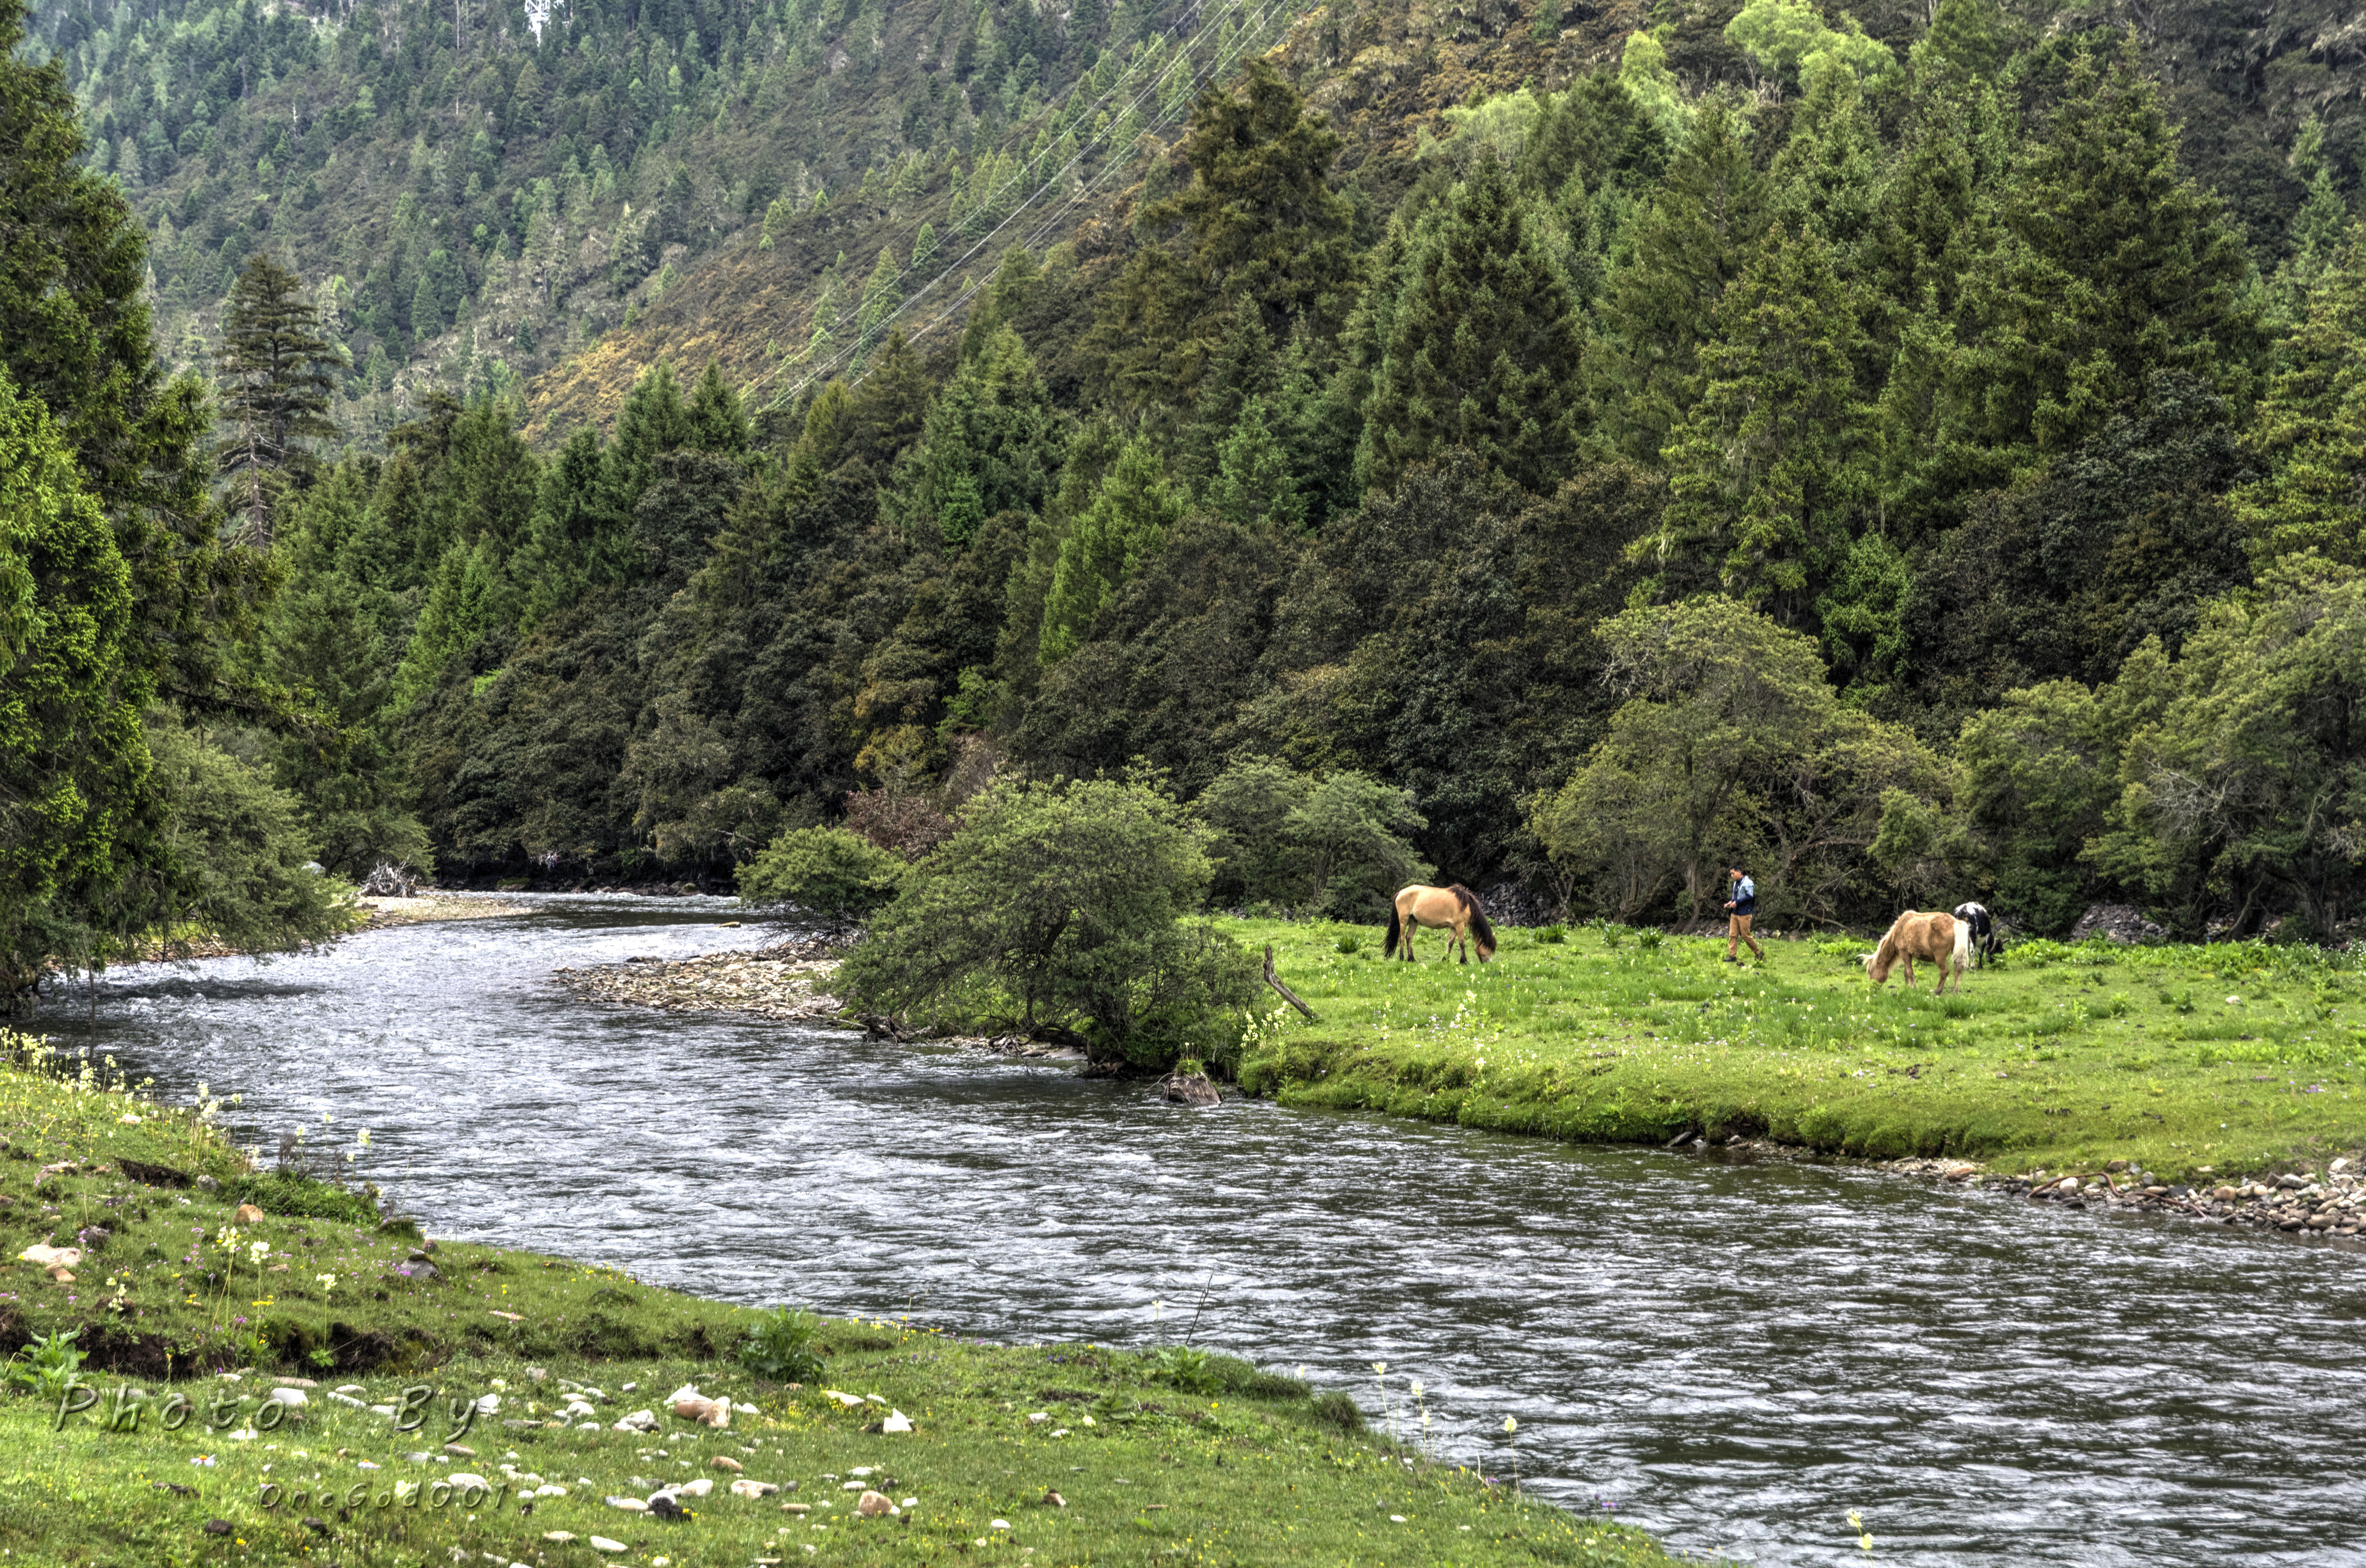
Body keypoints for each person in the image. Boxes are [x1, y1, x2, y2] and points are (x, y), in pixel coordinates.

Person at [1723, 866, 1764, 963]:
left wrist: (1737, 902)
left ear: (1739, 872)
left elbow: (1750, 896)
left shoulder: (1748, 883)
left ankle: (1758, 953)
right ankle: (1732, 956)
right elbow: (1736, 897)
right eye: (1731, 874)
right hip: (1735, 913)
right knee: (1733, 935)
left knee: (1746, 936)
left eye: (1733, 873)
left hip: (1745, 913)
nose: (1731, 876)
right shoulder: (1735, 883)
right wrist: (1731, 902)